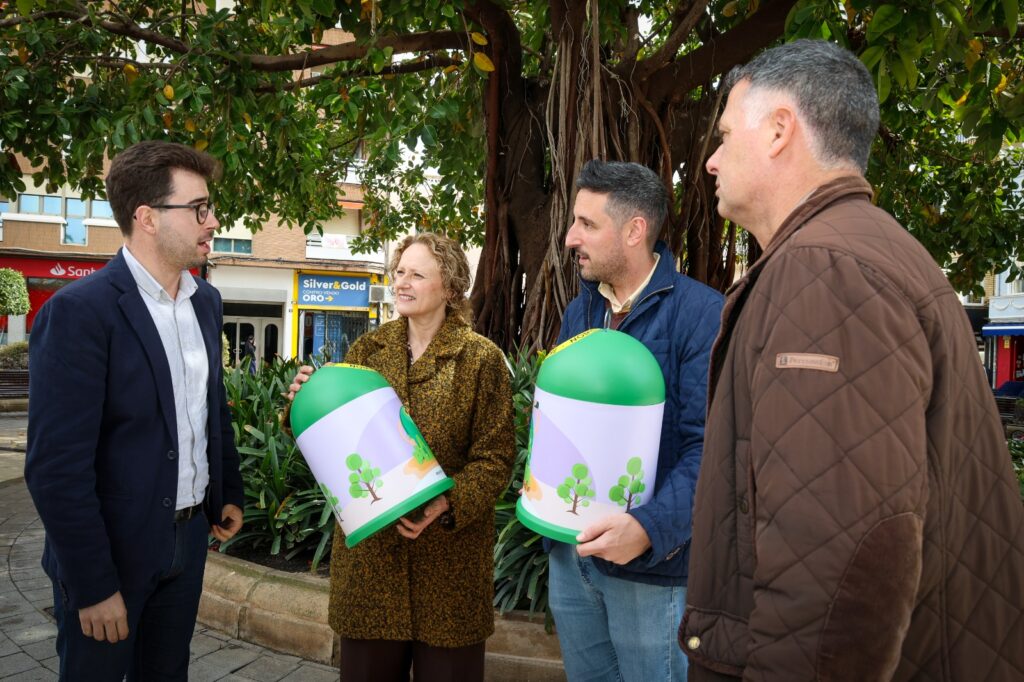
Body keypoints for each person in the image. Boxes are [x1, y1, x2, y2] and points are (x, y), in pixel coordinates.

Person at [681, 39, 1024, 680]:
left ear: (779, 130)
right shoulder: (866, 250)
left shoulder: (824, 272)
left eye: (725, 136)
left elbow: (836, 565)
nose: (711, 160)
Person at [24, 141, 244, 681]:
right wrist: (93, 584)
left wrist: (227, 492)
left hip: (188, 543)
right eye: (198, 208)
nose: (213, 221)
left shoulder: (206, 301)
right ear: (146, 217)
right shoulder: (79, 313)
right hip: (111, 552)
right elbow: (55, 469)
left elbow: (209, 408)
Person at [288, 232, 515, 682]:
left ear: (450, 288)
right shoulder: (367, 351)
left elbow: (496, 459)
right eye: (400, 272)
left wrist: (448, 501)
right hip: (371, 569)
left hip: (450, 568)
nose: (402, 283)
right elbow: (337, 436)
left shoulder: (480, 359)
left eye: (417, 274)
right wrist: (302, 402)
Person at [549, 159, 724, 681]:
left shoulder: (702, 315)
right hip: (571, 560)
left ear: (634, 230)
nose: (570, 237)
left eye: (587, 223)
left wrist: (647, 530)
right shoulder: (579, 313)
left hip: (651, 570)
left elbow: (709, 448)